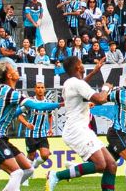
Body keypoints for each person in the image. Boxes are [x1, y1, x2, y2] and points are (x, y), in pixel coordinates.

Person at [0, 61, 59, 191]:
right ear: (9, 75)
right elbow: (38, 106)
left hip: (1, 138)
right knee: (17, 173)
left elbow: (13, 113)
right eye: (14, 69)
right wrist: (61, 104)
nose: (16, 71)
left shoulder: (5, 90)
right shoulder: (8, 91)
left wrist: (19, 112)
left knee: (28, 169)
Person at [48, 56, 117, 191]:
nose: (84, 66)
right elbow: (100, 99)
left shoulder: (71, 82)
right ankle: (56, 175)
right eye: (82, 64)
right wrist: (106, 88)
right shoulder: (77, 84)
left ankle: (73, 168)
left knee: (111, 165)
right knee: (100, 164)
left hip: (82, 129)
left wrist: (94, 72)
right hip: (76, 130)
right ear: (78, 67)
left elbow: (82, 85)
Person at [18, 82, 56, 185]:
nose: (40, 89)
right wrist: (27, 124)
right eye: (38, 87)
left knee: (45, 155)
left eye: (42, 87)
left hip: (42, 134)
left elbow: (50, 115)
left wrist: (50, 128)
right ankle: (25, 179)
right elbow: (20, 116)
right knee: (31, 156)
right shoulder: (30, 102)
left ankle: (33, 167)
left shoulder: (48, 102)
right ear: (35, 89)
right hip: (31, 134)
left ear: (45, 89)